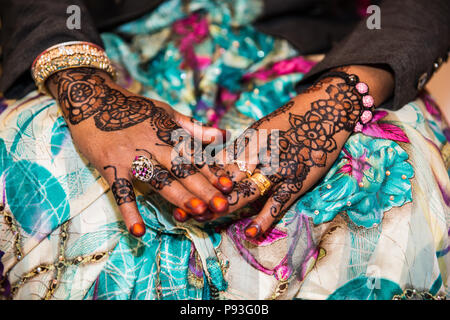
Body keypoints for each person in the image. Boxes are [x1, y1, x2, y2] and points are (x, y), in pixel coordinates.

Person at [0, 0, 448, 300]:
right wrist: (82, 84)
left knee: (384, 164)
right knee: (44, 153)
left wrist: (340, 97)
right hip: (104, 49)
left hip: (322, 55)